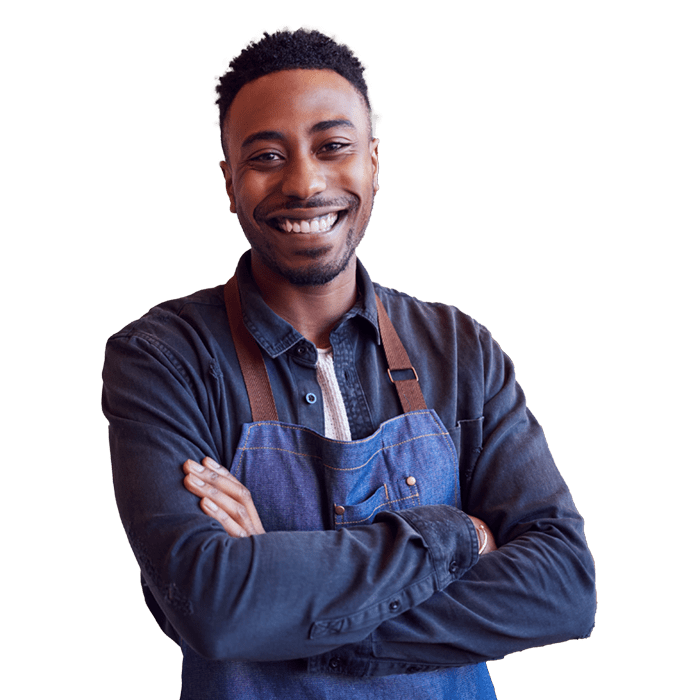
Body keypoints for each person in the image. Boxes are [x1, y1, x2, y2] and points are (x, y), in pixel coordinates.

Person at [102, 25, 596, 699]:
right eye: (266, 156)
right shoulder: (163, 359)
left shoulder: (461, 349)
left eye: (332, 147)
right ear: (229, 183)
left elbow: (563, 587)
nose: (304, 182)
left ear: (373, 161)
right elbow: (211, 606)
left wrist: (280, 603)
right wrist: (453, 535)